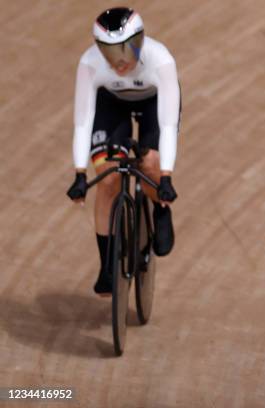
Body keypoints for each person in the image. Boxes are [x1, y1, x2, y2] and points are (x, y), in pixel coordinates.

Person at [66, 7, 180, 295]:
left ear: (140, 42)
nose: (119, 62)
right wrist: (80, 173)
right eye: (109, 52)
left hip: (153, 104)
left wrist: (165, 177)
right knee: (107, 179)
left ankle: (159, 209)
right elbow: (83, 121)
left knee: (150, 163)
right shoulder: (90, 63)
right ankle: (107, 266)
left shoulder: (160, 59)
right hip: (111, 103)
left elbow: (167, 125)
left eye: (126, 51)